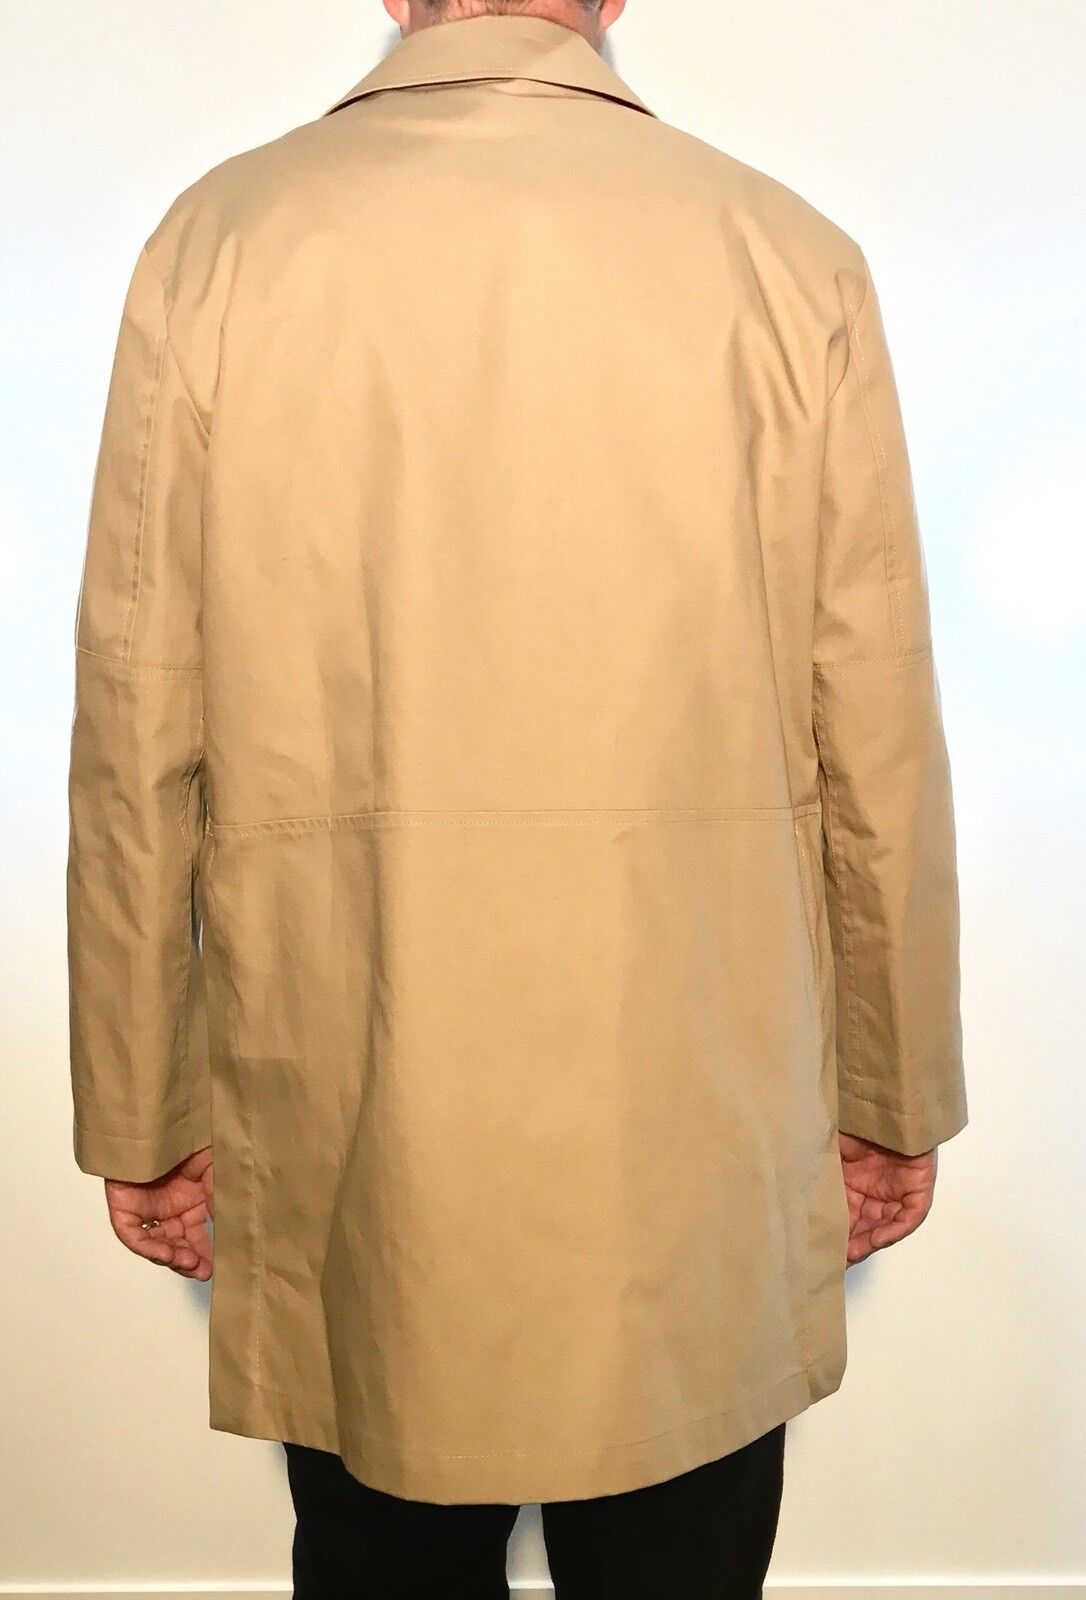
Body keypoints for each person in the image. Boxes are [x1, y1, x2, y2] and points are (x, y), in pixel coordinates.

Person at [65, 0, 969, 1593]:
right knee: (681, 1548)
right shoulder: (782, 255)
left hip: (360, 1101)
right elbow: (871, 726)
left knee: (383, 1549)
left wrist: (141, 1105)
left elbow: (139, 720)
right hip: (685, 1102)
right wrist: (892, 1093)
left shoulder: (222, 245)